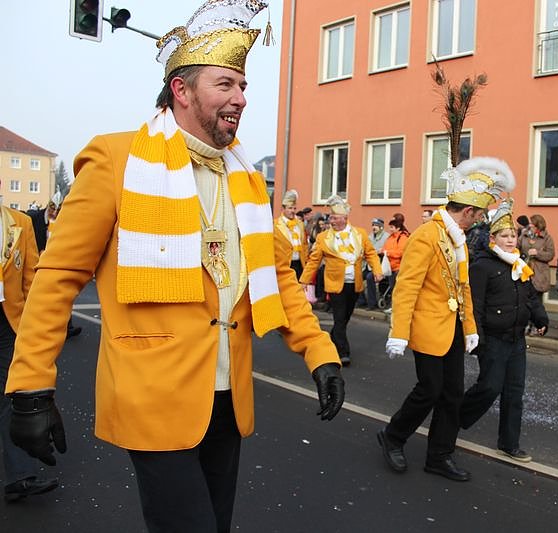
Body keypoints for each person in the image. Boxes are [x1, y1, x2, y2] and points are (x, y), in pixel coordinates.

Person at [4, 2, 346, 530]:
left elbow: (275, 276)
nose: (240, 97)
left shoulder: (246, 179)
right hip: (153, 397)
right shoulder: (117, 161)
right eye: (225, 84)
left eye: (243, 86)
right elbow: (57, 278)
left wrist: (319, 352)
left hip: (228, 400)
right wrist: (31, 388)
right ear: (181, 90)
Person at [378, 156, 514, 482]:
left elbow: (463, 287)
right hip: (427, 326)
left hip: (453, 327)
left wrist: (470, 329)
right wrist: (399, 332)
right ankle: (393, 436)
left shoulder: (457, 238)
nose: (479, 220)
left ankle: (439, 455)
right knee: (430, 389)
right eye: (478, 214)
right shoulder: (426, 236)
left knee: (452, 394)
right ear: (466, 211)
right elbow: (407, 286)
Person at [460, 199, 547, 463]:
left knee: (514, 393)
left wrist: (540, 317)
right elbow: (475, 306)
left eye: (513, 236)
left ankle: (509, 443)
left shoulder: (519, 264)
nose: (510, 240)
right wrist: (477, 337)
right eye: (505, 236)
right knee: (489, 387)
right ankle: (452, 418)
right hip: (494, 339)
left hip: (516, 339)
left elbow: (530, 296)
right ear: (493, 239)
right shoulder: (482, 267)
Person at [0, 195, 58, 503]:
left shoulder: (19, 223)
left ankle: (20, 476)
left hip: (9, 323)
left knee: (14, 393)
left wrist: (33, 326)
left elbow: (32, 278)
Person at [300, 195, 383, 366]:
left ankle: (332, 339)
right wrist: (304, 280)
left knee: (345, 317)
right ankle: (343, 352)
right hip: (335, 283)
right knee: (339, 317)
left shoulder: (359, 234)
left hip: (354, 283)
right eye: (331, 217)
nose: (331, 221)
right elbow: (314, 261)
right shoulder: (324, 237)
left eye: (335, 218)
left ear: (344, 218)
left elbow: (371, 253)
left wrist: (377, 270)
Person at [26, 192, 82, 339]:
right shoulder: (35, 218)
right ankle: (37, 326)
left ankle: (67, 327)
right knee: (39, 296)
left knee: (63, 294)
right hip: (38, 261)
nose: (55, 213)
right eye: (52, 210)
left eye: (58, 210)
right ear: (48, 207)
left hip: (58, 262)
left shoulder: (65, 220)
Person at [518, 214, 555, 304]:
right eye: (530, 223)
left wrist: (537, 253)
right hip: (524, 270)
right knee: (523, 300)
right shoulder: (524, 235)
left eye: (532, 224)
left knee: (536, 302)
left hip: (539, 273)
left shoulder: (547, 238)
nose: (530, 225)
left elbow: (550, 255)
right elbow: (516, 247)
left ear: (538, 225)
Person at [274, 189, 308, 280]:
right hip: (284, 265)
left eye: (294, 208)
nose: (293, 211)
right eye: (290, 208)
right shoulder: (276, 225)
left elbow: (304, 245)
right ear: (283, 209)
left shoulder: (300, 224)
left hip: (299, 265)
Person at [361, 218, 389, 311]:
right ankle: (361, 301)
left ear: (381, 227)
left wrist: (376, 252)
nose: (374, 227)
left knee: (370, 278)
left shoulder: (386, 237)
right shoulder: (370, 237)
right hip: (368, 265)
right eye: (373, 225)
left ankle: (372, 304)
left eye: (376, 225)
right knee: (357, 276)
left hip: (380, 266)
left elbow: (384, 250)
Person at [381, 215, 410, 301]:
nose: (390, 229)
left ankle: (395, 304)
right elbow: (384, 248)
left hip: (398, 267)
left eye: (392, 227)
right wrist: (384, 251)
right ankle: (391, 302)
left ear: (398, 228)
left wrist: (388, 253)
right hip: (390, 267)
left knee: (396, 288)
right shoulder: (390, 237)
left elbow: (400, 252)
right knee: (391, 286)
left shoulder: (403, 237)